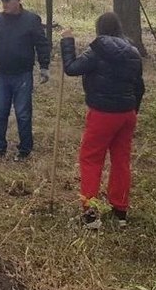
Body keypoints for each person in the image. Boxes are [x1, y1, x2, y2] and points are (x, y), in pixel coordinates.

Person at [60, 12, 145, 229]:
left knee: (90, 158)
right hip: (127, 114)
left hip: (103, 114)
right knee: (121, 160)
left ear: (100, 28)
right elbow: (139, 86)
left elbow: (71, 68)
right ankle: (120, 212)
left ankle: (90, 215)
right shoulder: (133, 51)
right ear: (118, 28)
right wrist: (132, 110)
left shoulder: (97, 51)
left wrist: (67, 41)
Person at [0, 0, 51, 161]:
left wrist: (44, 66)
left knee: (23, 113)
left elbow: (42, 44)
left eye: (7, 0)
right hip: (1, 75)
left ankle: (25, 150)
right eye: (2, 0)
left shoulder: (31, 20)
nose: (4, 4)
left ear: (18, 0)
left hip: (23, 75)